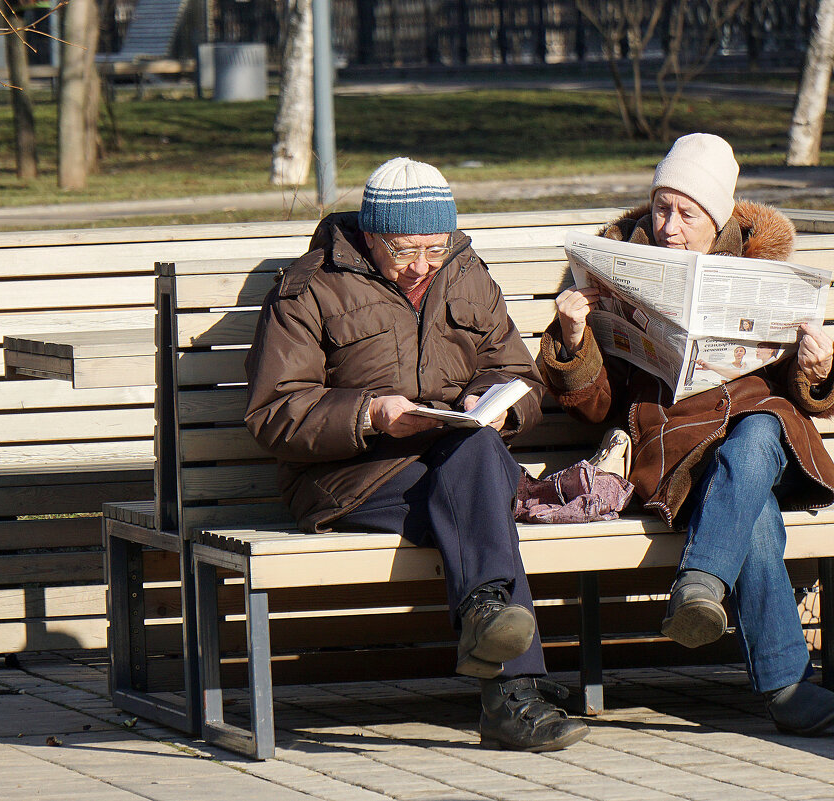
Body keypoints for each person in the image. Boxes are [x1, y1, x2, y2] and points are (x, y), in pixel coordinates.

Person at [244, 157, 588, 752]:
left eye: (434, 247)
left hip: (460, 464)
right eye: (404, 250)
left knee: (475, 446)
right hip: (356, 478)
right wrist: (370, 413)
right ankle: (510, 686)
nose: (421, 266)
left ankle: (487, 616)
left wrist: (502, 405)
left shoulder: (467, 274)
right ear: (371, 236)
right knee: (478, 496)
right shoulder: (311, 286)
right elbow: (273, 412)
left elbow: (518, 377)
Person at [538, 133, 834, 737]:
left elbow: (804, 385)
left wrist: (817, 368)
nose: (669, 227)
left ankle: (699, 581)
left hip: (766, 442)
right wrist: (575, 342)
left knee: (760, 430)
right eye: (661, 207)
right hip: (682, 457)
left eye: (687, 214)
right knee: (751, 508)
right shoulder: (616, 266)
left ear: (719, 219)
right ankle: (786, 686)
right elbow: (595, 409)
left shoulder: (761, 267)